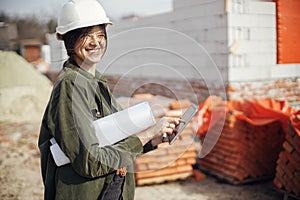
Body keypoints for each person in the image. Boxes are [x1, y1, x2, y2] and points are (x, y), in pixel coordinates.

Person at [38, 0, 180, 199]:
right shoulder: (70, 86)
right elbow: (90, 161)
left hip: (109, 190)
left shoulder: (95, 82)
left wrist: (153, 140)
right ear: (70, 40)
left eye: (100, 34)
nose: (96, 42)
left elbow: (112, 143)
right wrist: (146, 134)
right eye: (86, 35)